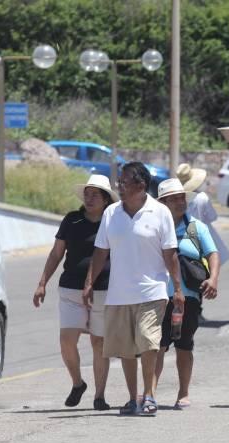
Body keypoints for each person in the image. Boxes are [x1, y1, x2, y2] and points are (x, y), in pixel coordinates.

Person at [84, 162, 184, 417]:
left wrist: (178, 288)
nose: (120, 187)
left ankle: (149, 394)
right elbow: (100, 252)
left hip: (152, 291)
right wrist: (89, 283)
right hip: (118, 293)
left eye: (125, 182)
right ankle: (132, 399)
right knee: (126, 348)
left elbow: (170, 254)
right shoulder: (111, 214)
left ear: (141, 186)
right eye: (119, 182)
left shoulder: (160, 213)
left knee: (148, 340)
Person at [33, 174, 117, 410]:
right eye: (87, 194)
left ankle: (99, 396)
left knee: (99, 343)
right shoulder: (72, 220)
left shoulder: (113, 221)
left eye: (95, 195)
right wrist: (42, 283)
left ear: (106, 199)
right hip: (70, 287)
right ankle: (78, 383)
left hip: (103, 289)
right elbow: (56, 253)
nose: (89, 199)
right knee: (66, 341)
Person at [153, 178, 220, 409]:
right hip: (158, 295)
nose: (180, 202)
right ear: (163, 203)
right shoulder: (154, 227)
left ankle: (183, 393)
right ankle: (149, 392)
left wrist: (213, 279)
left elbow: (213, 254)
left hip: (189, 296)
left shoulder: (195, 227)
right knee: (157, 346)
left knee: (184, 345)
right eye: (174, 199)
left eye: (182, 198)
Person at [177, 163, 229, 265]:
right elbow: (213, 217)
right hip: (203, 236)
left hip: (185, 236)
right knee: (210, 264)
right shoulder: (202, 197)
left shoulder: (178, 200)